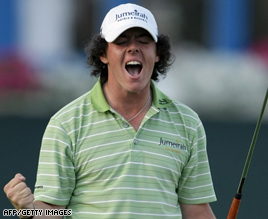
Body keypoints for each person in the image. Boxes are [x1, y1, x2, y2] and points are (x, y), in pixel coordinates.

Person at [4, 3, 217, 219]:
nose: (133, 48)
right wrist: (28, 210)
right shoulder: (66, 124)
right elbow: (55, 211)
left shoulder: (187, 123)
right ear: (103, 54)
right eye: (121, 42)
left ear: (158, 54)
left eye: (144, 41)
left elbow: (197, 212)